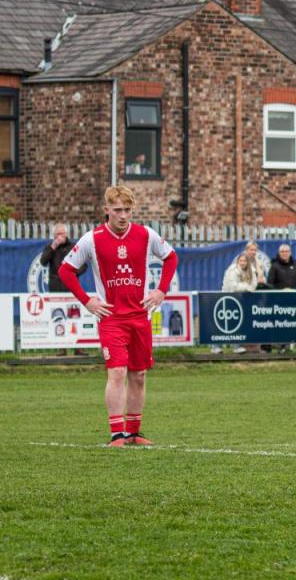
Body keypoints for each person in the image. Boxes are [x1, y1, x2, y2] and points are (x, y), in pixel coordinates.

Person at [57, 185, 178, 447]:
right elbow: (66, 270)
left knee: (139, 374)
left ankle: (134, 432)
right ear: (107, 210)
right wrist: (87, 300)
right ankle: (117, 434)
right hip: (111, 318)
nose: (123, 215)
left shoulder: (146, 234)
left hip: (140, 316)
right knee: (117, 373)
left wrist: (161, 290)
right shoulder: (92, 239)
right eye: (118, 210)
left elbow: (171, 258)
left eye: (128, 210)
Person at [41, 223, 88, 356]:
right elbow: (43, 261)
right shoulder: (50, 247)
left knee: (75, 316)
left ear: (66, 234)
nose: (59, 236)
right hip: (56, 286)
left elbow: (84, 265)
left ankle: (78, 348)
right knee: (59, 318)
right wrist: (53, 246)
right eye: (57, 234)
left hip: (71, 286)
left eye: (61, 234)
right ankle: (62, 348)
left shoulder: (73, 246)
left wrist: (73, 274)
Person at [213, 254, 258, 354]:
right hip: (227, 299)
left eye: (244, 261)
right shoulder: (232, 270)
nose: (243, 263)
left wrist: (248, 287)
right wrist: (246, 287)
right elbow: (233, 287)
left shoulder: (251, 270)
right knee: (223, 324)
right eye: (241, 261)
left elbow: (254, 284)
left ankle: (236, 347)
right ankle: (216, 347)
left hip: (240, 300)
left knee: (237, 323)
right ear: (237, 261)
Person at [267, 244, 296, 353]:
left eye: (287, 251)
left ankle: (287, 346)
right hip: (278, 301)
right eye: (282, 251)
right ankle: (279, 346)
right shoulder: (274, 266)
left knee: (290, 324)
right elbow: (270, 284)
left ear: (290, 252)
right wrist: (279, 293)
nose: (284, 253)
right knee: (280, 324)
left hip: (293, 300)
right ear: (279, 253)